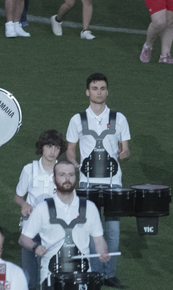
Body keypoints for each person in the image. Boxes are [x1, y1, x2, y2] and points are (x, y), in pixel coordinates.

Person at [65, 73, 131, 288]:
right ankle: (95, 273)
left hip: (113, 184)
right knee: (91, 232)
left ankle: (109, 274)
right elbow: (70, 151)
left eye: (102, 88)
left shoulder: (119, 118)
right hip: (87, 184)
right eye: (95, 88)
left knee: (112, 231)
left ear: (107, 91)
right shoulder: (77, 120)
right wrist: (75, 165)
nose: (99, 92)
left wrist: (124, 154)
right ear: (87, 92)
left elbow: (126, 149)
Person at [18, 160, 110, 288]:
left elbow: (98, 238)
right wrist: (35, 247)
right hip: (51, 277)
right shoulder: (42, 208)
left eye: (71, 175)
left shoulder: (90, 207)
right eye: (62, 175)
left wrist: (102, 250)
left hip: (82, 277)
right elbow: (23, 239)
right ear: (54, 179)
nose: (67, 179)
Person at [14, 131, 63, 290]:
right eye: (49, 146)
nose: (53, 151)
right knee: (30, 275)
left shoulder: (63, 172)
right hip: (31, 229)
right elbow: (18, 196)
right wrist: (23, 205)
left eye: (56, 147)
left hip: (55, 229)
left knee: (52, 275)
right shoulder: (29, 170)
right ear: (41, 147)